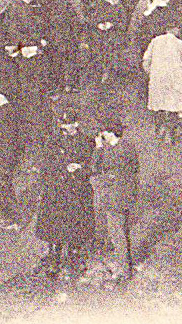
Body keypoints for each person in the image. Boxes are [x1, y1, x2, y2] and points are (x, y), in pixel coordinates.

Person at [36, 112, 96, 279]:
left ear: (76, 124)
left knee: (76, 225)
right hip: (57, 189)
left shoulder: (87, 142)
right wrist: (61, 168)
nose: (64, 128)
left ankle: (74, 258)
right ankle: (54, 258)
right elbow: (46, 163)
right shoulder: (53, 141)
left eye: (68, 124)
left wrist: (80, 167)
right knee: (54, 226)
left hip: (78, 189)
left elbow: (94, 165)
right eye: (62, 124)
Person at [90, 122, 139, 280]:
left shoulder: (110, 151)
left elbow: (94, 167)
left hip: (114, 198)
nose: (102, 135)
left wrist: (98, 147)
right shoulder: (128, 146)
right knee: (123, 231)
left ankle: (124, 270)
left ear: (110, 133)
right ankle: (126, 264)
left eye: (104, 132)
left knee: (116, 233)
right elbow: (135, 168)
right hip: (127, 196)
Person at [143, 26, 182, 143]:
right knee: (173, 105)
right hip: (175, 79)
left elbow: (145, 61)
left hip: (157, 78)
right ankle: (171, 133)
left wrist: (152, 74)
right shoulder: (180, 44)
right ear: (175, 29)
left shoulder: (155, 41)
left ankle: (159, 131)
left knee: (158, 105)